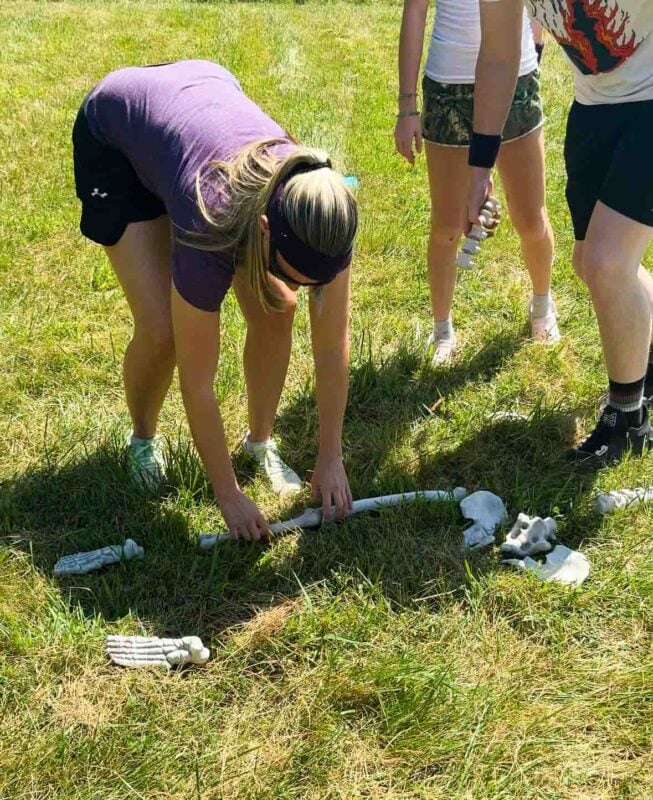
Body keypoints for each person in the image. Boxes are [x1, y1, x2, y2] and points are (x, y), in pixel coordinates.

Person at [72, 60, 358, 539]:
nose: (313, 290)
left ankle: (259, 443)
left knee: (277, 306)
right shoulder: (211, 220)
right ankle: (142, 439)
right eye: (296, 274)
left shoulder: (327, 213)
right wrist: (227, 494)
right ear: (263, 232)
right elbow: (198, 381)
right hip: (116, 136)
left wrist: (331, 456)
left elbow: (331, 349)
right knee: (163, 331)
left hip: (201, 91)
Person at [468, 1, 653, 464]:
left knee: (607, 263)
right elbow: (498, 54)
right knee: (592, 265)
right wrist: (480, 165)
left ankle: (626, 419)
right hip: (594, 109)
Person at [394, 0, 559, 365]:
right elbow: (415, 11)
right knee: (447, 228)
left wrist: (536, 52)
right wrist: (407, 106)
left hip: (516, 79)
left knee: (530, 217)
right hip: (448, 85)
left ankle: (542, 305)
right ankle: (442, 330)